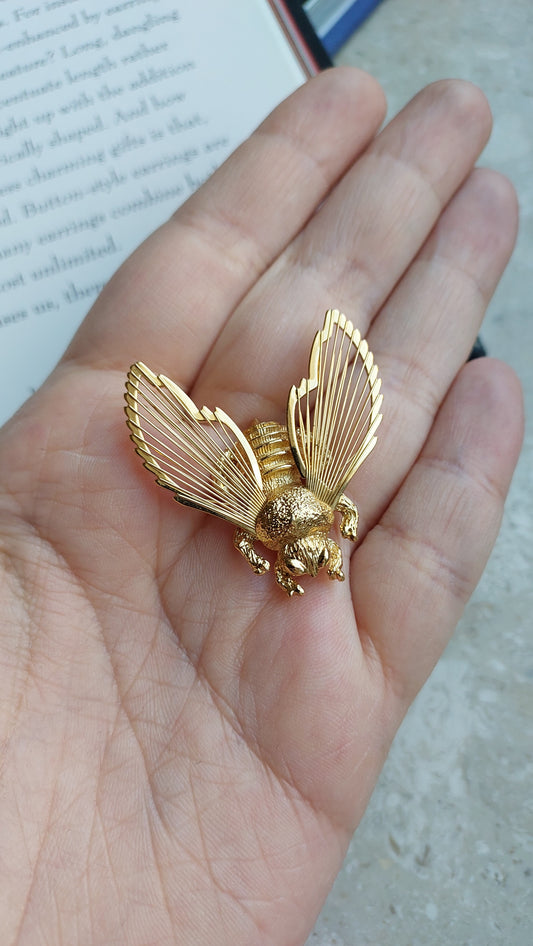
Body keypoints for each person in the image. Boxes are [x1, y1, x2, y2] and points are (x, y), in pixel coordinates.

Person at [0, 68, 523, 945]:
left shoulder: (300, 517)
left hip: (276, 477)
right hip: (255, 483)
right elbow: (270, 535)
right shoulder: (266, 520)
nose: (317, 566)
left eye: (312, 556)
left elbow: (300, 531)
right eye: (312, 557)